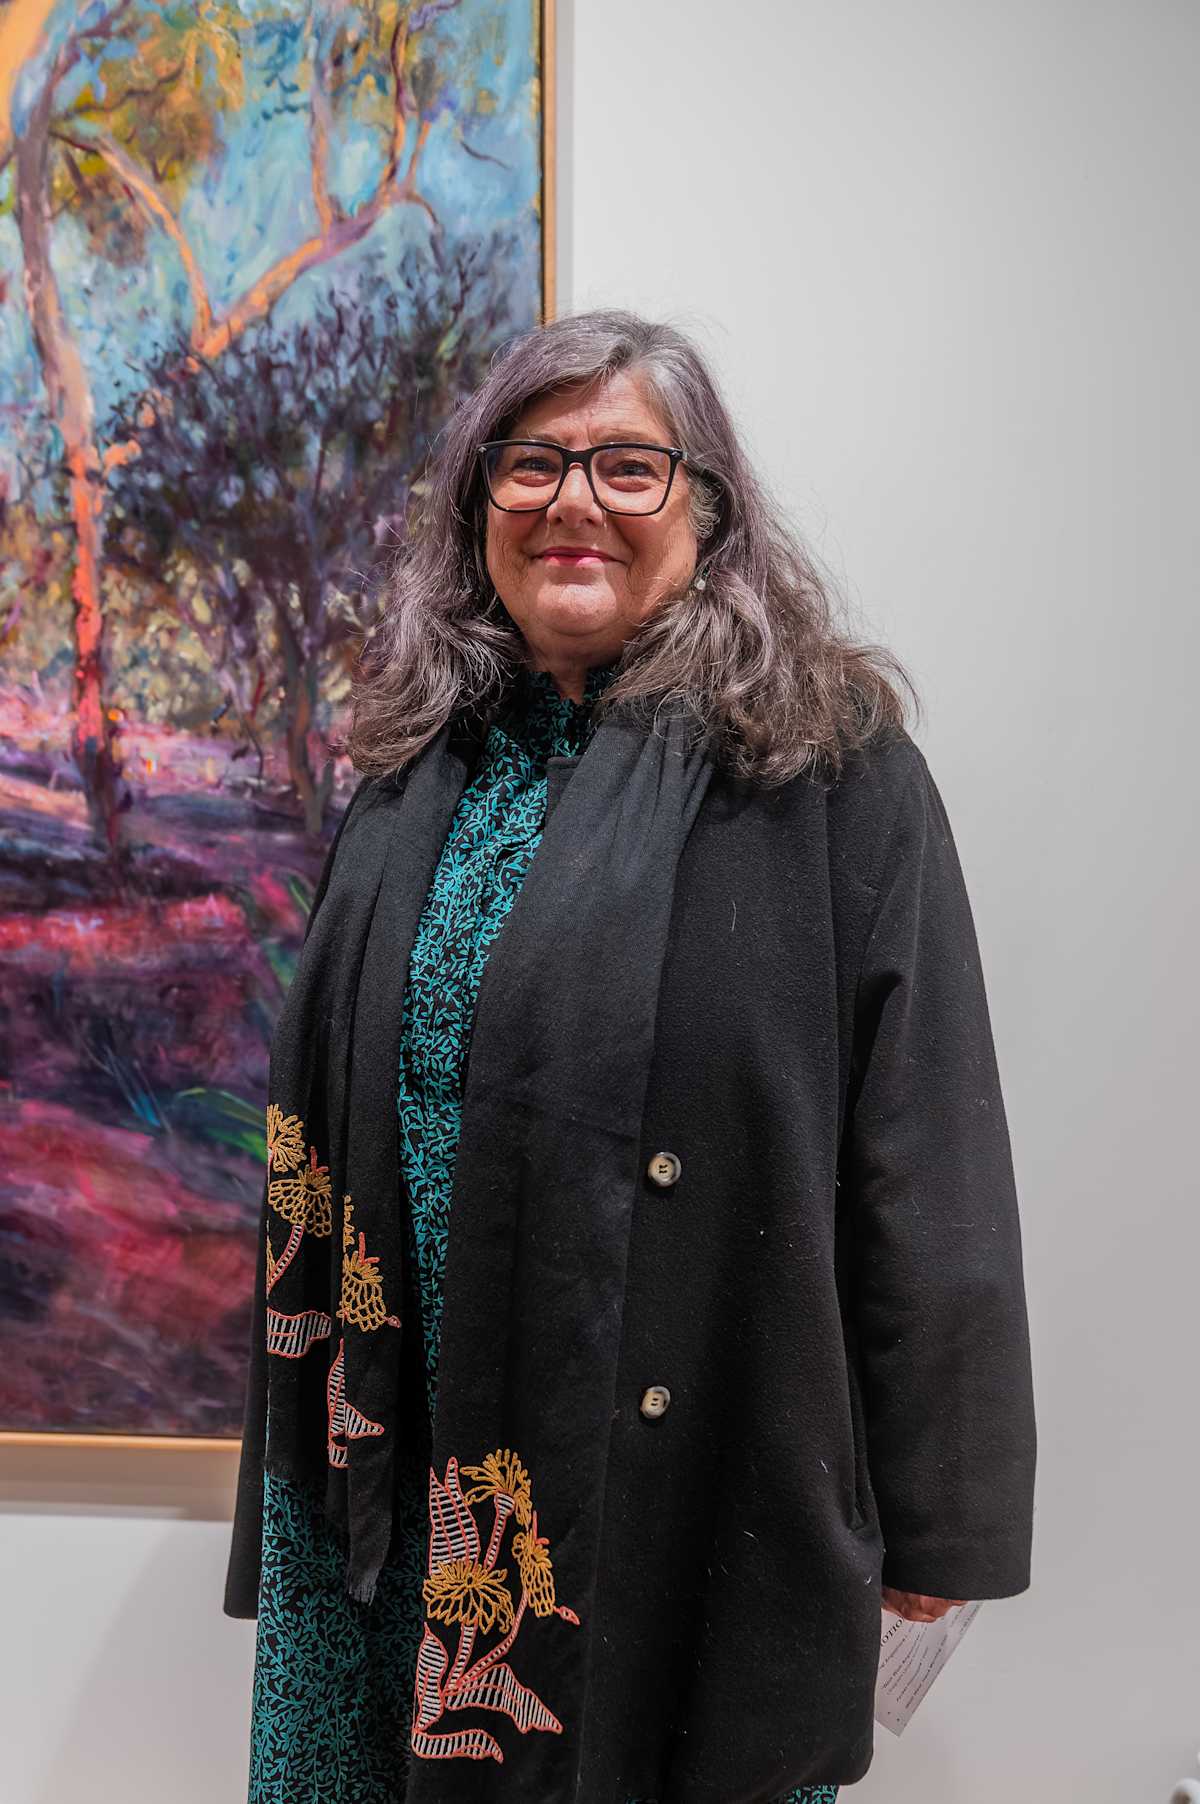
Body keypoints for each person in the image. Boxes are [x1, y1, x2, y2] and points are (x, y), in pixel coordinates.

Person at [223, 308, 1037, 1804]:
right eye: (531, 462)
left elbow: (928, 1155)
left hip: (682, 1468)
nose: (573, 501)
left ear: (707, 510)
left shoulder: (826, 774)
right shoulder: (416, 767)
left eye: (627, 465)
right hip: (405, 1471)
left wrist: (945, 1516)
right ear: (478, 506)